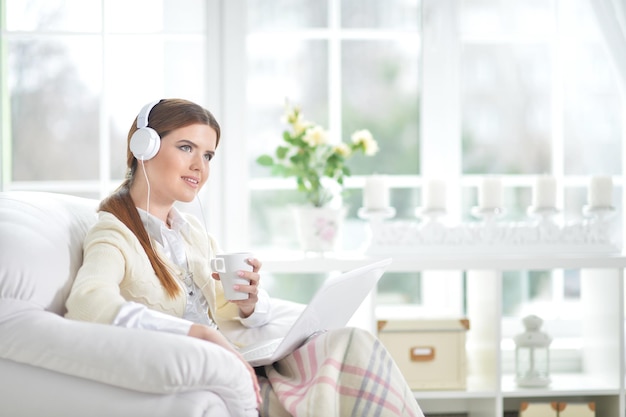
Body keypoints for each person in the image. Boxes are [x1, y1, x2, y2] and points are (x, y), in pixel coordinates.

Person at [65, 98, 424, 417]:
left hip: (242, 357)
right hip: (204, 370)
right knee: (344, 367)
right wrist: (196, 333)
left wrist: (250, 303)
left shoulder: (192, 235)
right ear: (144, 147)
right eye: (187, 148)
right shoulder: (114, 232)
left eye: (207, 155)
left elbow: (225, 307)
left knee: (352, 342)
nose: (199, 167)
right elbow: (87, 303)